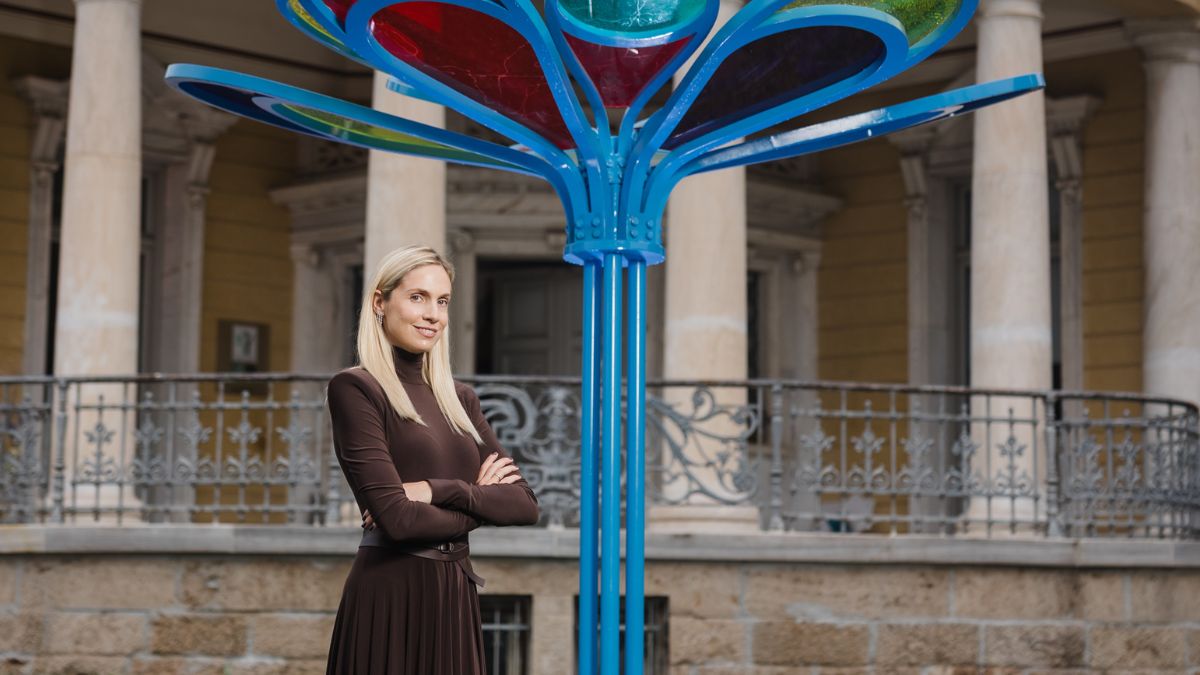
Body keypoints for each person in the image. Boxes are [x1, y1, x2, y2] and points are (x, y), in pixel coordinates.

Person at [325, 245, 540, 674]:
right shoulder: (357, 389)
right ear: (380, 302)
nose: (433, 315)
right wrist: (481, 499)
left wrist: (435, 491)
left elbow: (524, 505)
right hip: (391, 595)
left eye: (442, 301)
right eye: (417, 297)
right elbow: (399, 521)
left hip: (454, 592)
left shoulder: (460, 399)